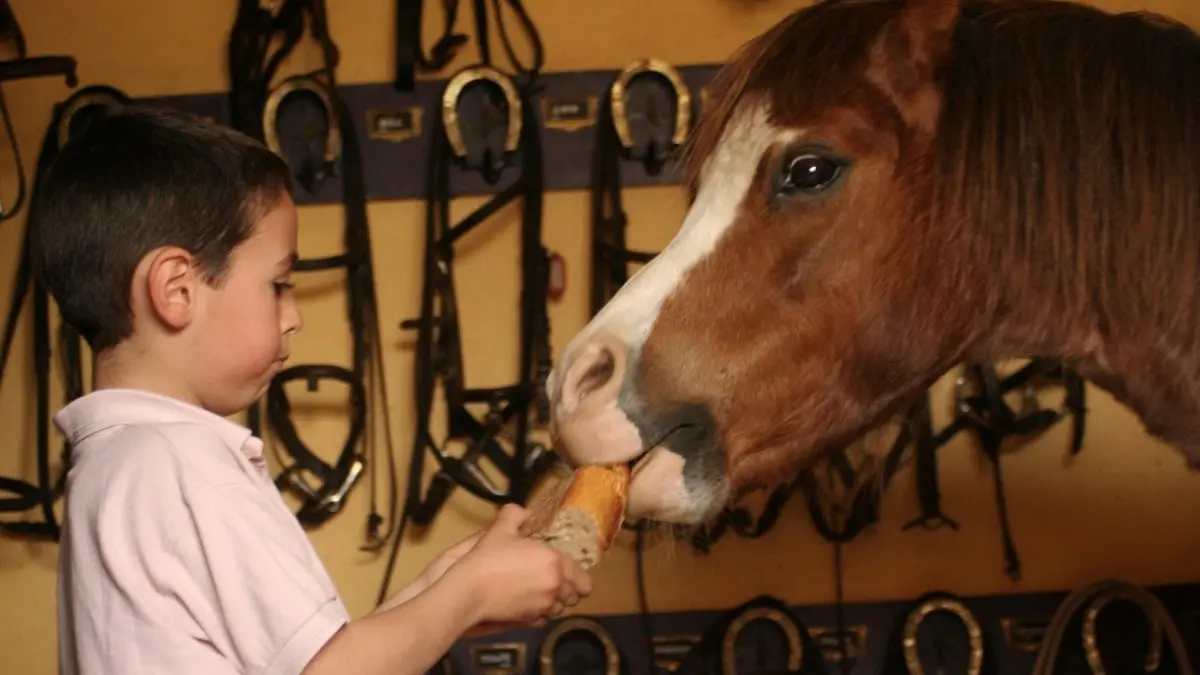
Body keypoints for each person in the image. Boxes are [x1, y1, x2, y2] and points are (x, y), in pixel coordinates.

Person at [30, 106, 593, 675]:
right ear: (177, 290)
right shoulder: (185, 466)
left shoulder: (119, 465)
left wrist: (443, 592)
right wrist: (469, 593)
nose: (294, 316)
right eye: (277, 285)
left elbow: (309, 658)